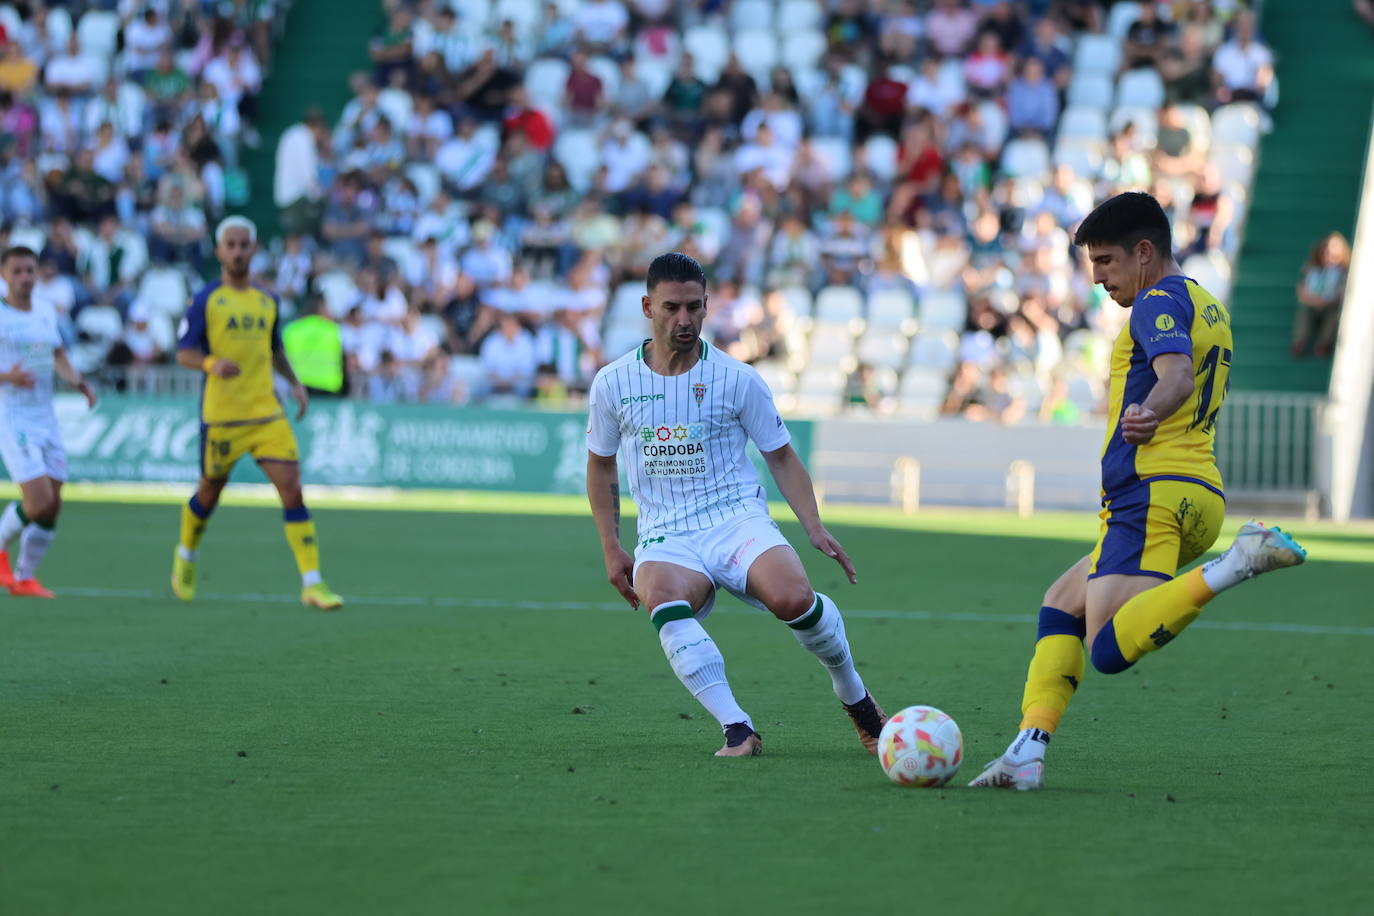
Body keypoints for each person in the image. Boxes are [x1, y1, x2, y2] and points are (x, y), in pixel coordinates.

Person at [968, 193, 1307, 790]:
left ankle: (1236, 565)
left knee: (1105, 649)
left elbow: (1175, 375)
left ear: (1144, 252)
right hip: (1195, 490)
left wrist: (1146, 412)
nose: (1097, 277)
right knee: (1060, 605)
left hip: (1150, 492)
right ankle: (1028, 749)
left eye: (1106, 261)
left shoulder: (1154, 302)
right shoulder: (1206, 303)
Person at [584, 252, 886, 758]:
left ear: (707, 308)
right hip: (666, 531)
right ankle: (737, 727)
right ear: (646, 307)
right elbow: (600, 465)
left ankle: (855, 695)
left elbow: (782, 456)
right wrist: (611, 546)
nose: (684, 320)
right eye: (671, 308)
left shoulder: (737, 378)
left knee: (793, 598)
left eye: (694, 308)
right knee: (658, 591)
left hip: (735, 518)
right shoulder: (613, 383)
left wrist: (812, 526)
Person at [171, 217, 342, 611]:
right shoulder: (205, 300)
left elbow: (274, 349)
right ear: (219, 251)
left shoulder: (268, 301)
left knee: (292, 489)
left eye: (243, 244)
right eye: (230, 245)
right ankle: (187, 555)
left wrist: (295, 383)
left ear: (254, 248)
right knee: (209, 493)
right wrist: (212, 364)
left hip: (266, 413)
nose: (237, 251)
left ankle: (313, 584)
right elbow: (184, 352)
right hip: (223, 417)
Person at [0, 247, 97, 597]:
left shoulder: (43, 310)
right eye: (17, 271)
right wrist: (6, 377)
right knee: (38, 501)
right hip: (13, 417)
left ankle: (25, 577)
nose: (25, 277)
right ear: (4, 276)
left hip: (46, 415)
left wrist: (78, 381)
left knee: (53, 504)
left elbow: (55, 353)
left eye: (30, 270)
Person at [1291, 231, 1349, 359]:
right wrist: (1315, 301)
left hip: (1331, 305)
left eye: (1334, 251)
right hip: (1313, 304)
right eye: (1326, 251)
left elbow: (1342, 293)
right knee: (1304, 314)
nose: (1329, 254)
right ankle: (1299, 342)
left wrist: (1326, 302)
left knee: (1333, 317)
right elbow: (1302, 290)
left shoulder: (1343, 272)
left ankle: (1324, 344)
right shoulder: (1312, 269)